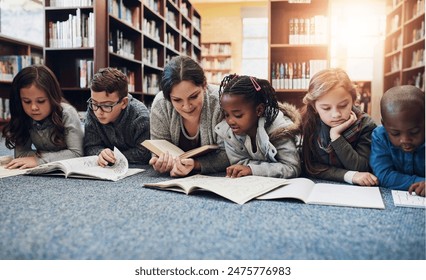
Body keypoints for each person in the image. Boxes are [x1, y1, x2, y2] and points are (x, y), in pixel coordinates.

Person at [149, 55, 229, 177]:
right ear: (168, 98)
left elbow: (229, 153)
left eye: (193, 96)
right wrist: (160, 161)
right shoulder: (161, 104)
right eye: (177, 100)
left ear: (204, 85)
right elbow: (157, 147)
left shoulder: (220, 101)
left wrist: (196, 164)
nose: (187, 107)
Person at [301, 68, 378, 186]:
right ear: (314, 106)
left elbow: (362, 168)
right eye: (326, 108)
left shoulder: (366, 125)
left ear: (353, 100)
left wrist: (336, 137)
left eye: (343, 105)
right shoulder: (309, 122)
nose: (336, 114)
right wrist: (349, 175)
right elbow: (311, 166)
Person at [215, 74, 301, 178]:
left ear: (259, 110)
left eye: (238, 115)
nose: (230, 121)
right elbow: (239, 163)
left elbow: (292, 168)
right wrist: (248, 169)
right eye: (226, 114)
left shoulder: (279, 130)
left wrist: (252, 169)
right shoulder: (228, 133)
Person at [2, 64, 83, 169]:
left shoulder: (67, 113)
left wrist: (39, 159)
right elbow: (20, 154)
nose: (34, 107)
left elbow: (77, 154)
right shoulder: (23, 115)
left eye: (41, 101)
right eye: (26, 101)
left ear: (53, 97)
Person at [84, 67, 151, 166]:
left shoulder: (140, 116)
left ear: (124, 102)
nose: (98, 112)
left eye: (106, 105)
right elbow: (90, 147)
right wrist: (100, 152)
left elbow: (143, 154)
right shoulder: (92, 110)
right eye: (94, 103)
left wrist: (112, 156)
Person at [370, 85, 425, 196]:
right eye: (395, 133)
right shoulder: (380, 136)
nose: (405, 140)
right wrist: (420, 182)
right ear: (385, 125)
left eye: (414, 132)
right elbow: (384, 175)